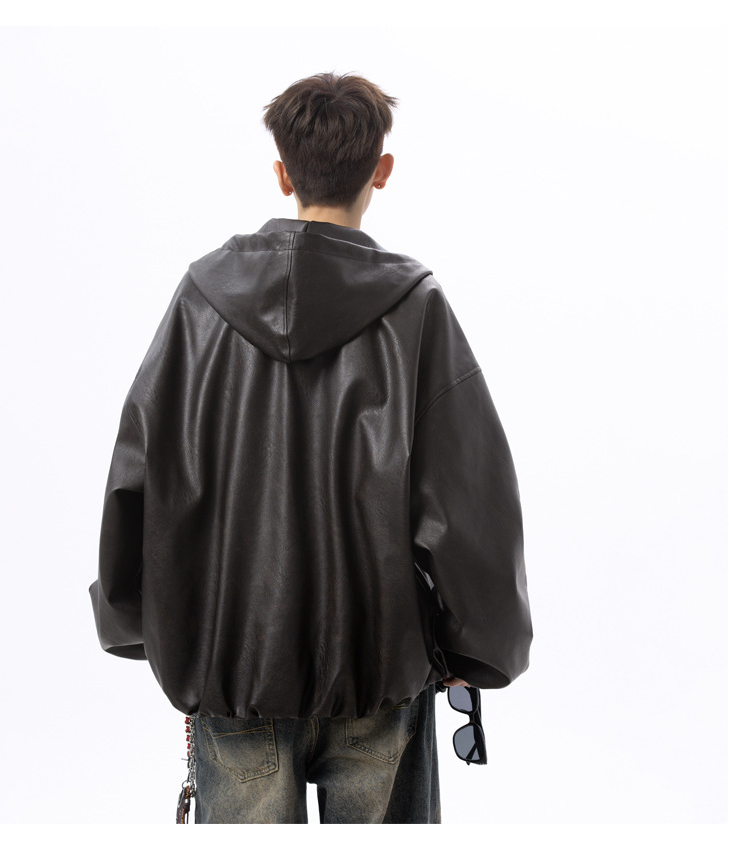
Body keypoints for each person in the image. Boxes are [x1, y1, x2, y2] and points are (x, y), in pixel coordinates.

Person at [88, 71, 533, 824]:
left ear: (282, 174)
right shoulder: (416, 308)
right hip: (380, 670)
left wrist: (133, 614)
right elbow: (467, 500)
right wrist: (481, 646)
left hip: (234, 670)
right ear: (381, 171)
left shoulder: (201, 301)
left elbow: (140, 471)